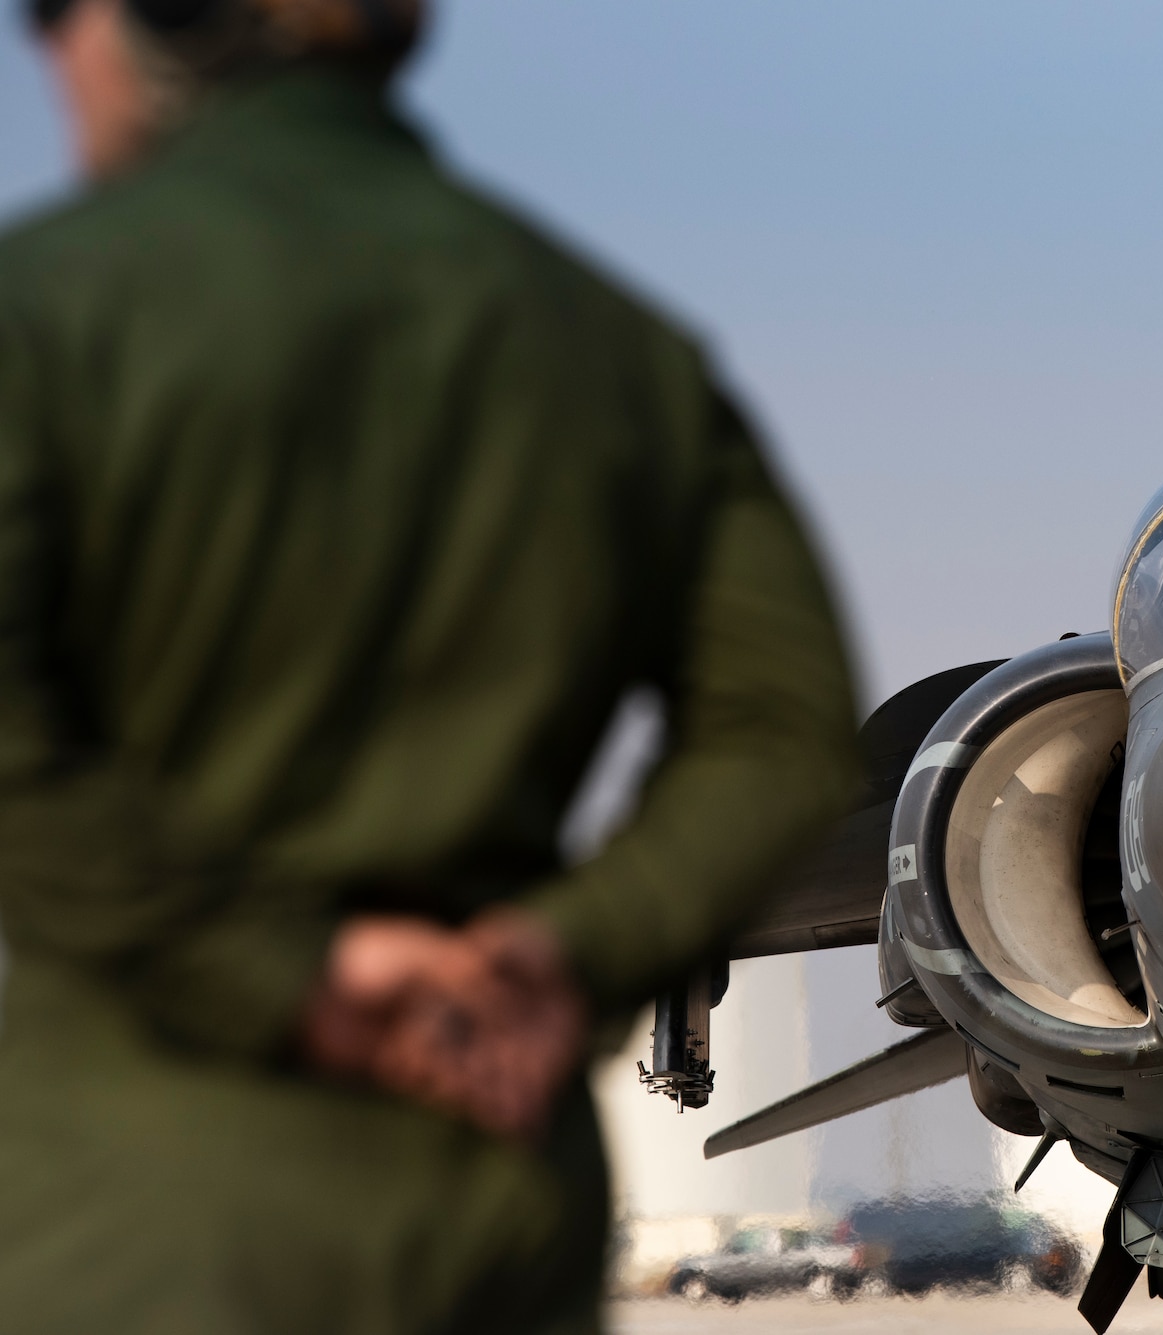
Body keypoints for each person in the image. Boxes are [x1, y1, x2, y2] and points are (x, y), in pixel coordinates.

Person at [0, 2, 860, 1331]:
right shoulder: (622, 353)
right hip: (491, 1190)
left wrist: (298, 978)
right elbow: (785, 731)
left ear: (129, 28)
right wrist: (562, 956)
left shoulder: (43, 313)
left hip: (141, 1209)